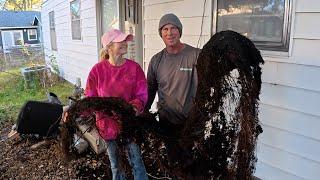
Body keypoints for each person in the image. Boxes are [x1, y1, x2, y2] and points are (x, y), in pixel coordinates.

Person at [85, 29, 148, 180]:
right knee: (116, 164)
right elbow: (90, 99)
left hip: (128, 123)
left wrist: (134, 107)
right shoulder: (97, 71)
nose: (125, 43)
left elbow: (142, 94)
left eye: (125, 40)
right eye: (121, 41)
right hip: (107, 126)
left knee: (136, 161)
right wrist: (75, 112)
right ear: (109, 46)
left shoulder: (134, 68)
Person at [145, 13, 200, 163]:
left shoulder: (196, 55)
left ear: (180, 31)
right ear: (161, 33)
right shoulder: (156, 60)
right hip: (166, 121)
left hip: (190, 121)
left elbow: (209, 82)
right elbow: (150, 89)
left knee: (189, 160)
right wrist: (144, 111)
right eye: (165, 29)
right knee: (172, 158)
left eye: (173, 28)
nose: (169, 33)